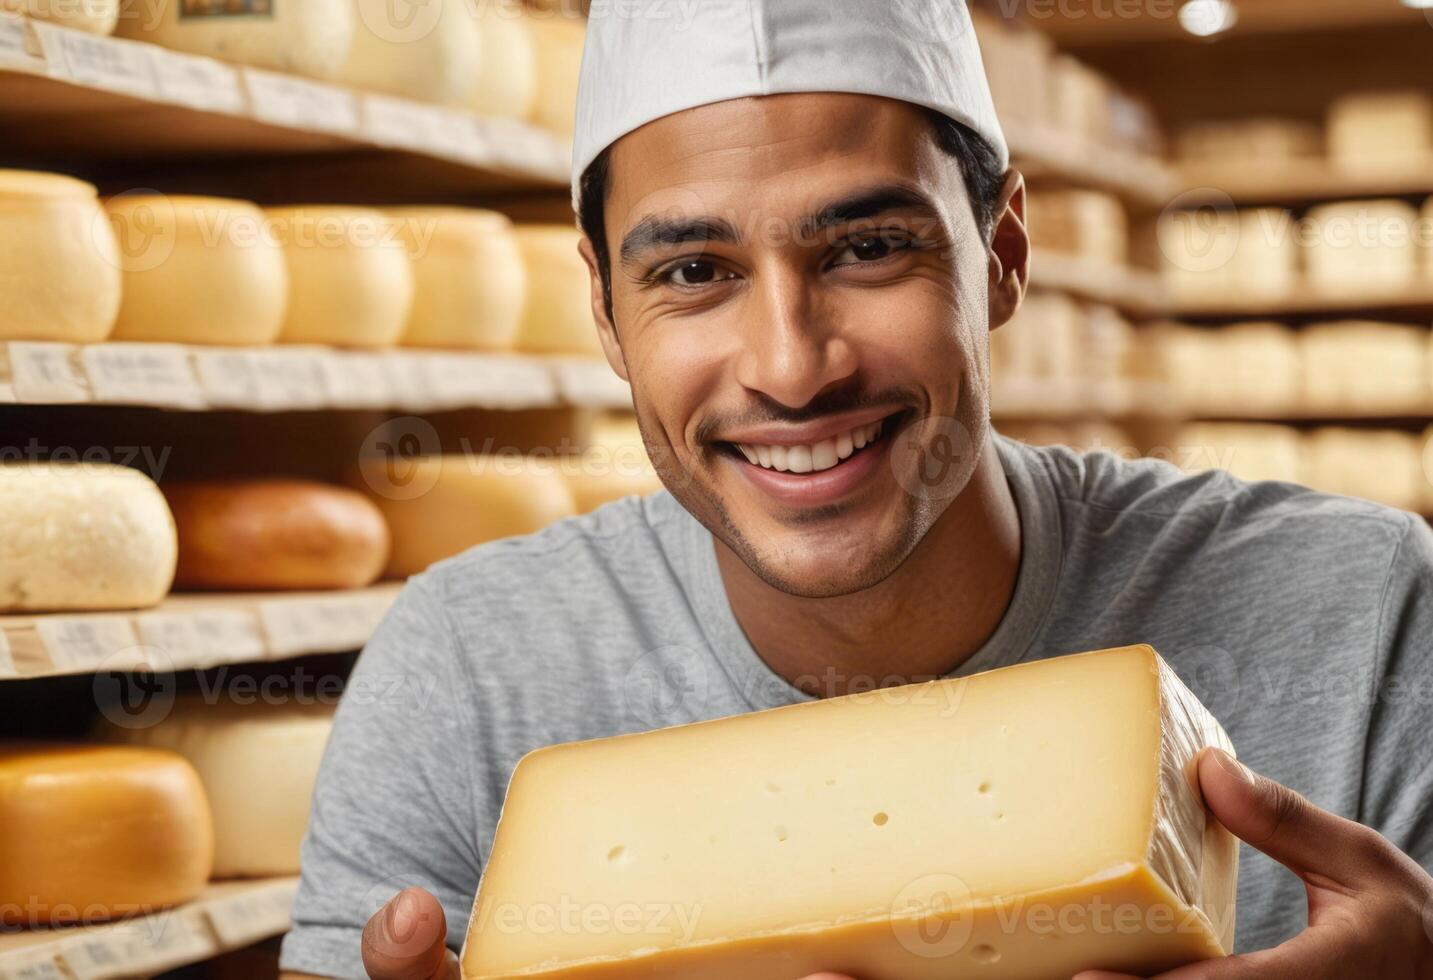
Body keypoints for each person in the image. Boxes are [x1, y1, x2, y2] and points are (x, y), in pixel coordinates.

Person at [279, 3, 1433, 978]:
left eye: (867, 248)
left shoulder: (1364, 614)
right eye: (692, 271)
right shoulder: (464, 668)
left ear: (1001, 255)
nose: (790, 367)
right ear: (604, 310)